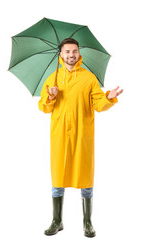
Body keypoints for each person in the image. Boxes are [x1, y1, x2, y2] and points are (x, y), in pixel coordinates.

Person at [38, 38, 123, 237]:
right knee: (58, 175)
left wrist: (109, 97)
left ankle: (87, 222)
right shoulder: (53, 78)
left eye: (74, 51)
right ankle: (57, 220)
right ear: (61, 54)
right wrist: (50, 96)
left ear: (79, 53)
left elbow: (99, 105)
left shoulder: (89, 78)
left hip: (83, 133)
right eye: (67, 51)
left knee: (85, 176)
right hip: (59, 134)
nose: (71, 55)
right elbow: (44, 107)